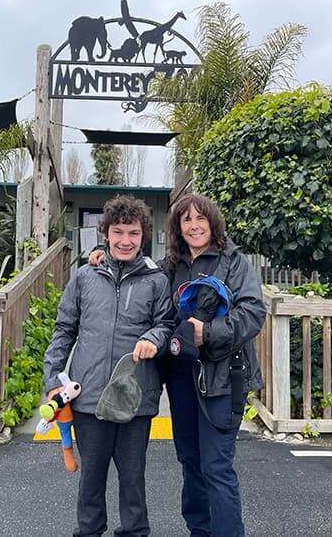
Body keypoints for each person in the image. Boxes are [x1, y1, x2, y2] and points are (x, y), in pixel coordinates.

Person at [90, 193, 265, 537]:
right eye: (187, 220)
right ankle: (199, 531)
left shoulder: (234, 263)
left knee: (216, 465)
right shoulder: (171, 265)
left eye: (201, 219)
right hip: (182, 377)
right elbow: (136, 267)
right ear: (178, 227)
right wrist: (99, 258)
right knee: (190, 461)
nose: (194, 225)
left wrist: (209, 333)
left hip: (222, 378)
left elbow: (253, 313)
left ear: (212, 223)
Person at [43, 195, 173, 537]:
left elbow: (166, 324)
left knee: (133, 483)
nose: (126, 240)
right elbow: (64, 330)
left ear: (143, 235)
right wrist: (53, 380)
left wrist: (154, 338)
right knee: (90, 483)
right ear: (106, 233)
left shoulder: (157, 280)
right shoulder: (85, 277)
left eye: (133, 233)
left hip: (135, 400)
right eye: (118, 232)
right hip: (88, 400)